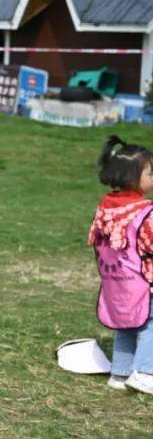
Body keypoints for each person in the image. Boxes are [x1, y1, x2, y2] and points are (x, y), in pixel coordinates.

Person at [88, 135, 153, 394]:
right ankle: (144, 372)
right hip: (144, 282)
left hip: (116, 282)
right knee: (150, 324)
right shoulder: (144, 212)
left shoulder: (105, 208)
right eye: (150, 172)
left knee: (125, 325)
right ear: (132, 178)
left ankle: (119, 374)